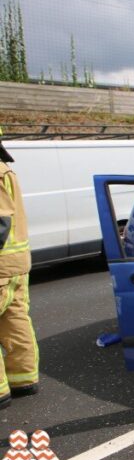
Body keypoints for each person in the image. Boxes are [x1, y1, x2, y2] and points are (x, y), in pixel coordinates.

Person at [0, 139, 38, 409]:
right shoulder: (6, 168)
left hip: (1, 264)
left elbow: (1, 221)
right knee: (15, 319)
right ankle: (24, 380)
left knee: (15, 319)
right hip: (16, 263)